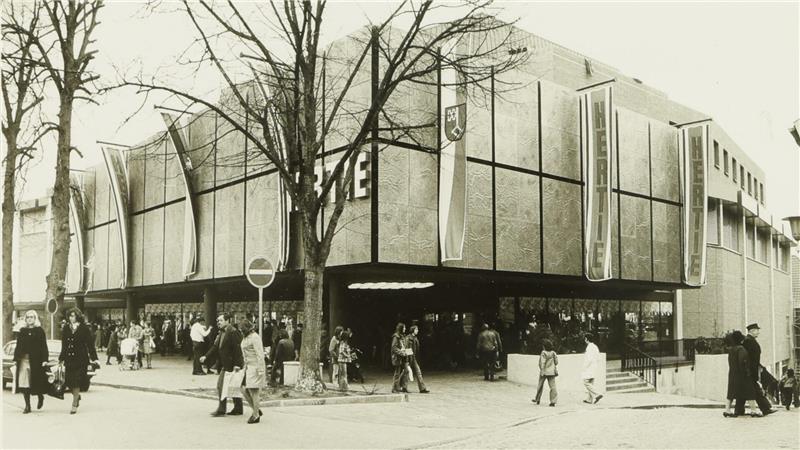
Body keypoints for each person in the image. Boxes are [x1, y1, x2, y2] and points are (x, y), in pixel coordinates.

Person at [200, 313, 244, 416]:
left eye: (220, 320)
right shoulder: (221, 333)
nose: (218, 323)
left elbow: (238, 349)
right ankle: (238, 408)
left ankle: (222, 409)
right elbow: (215, 347)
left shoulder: (233, 332)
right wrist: (206, 356)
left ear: (227, 321)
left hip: (233, 365)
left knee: (223, 386)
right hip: (226, 364)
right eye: (217, 321)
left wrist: (237, 364)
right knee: (232, 385)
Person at [59, 308, 100, 414]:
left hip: (80, 359)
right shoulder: (66, 328)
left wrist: (94, 358)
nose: (71, 318)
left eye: (73, 316)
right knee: (69, 381)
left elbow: (90, 345)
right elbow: (64, 345)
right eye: (70, 316)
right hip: (69, 358)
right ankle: (77, 397)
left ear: (78, 317)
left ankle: (74, 404)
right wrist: (61, 358)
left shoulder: (84, 328)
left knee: (76, 381)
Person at [13, 310, 49, 413]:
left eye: (32, 317)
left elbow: (43, 347)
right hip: (24, 360)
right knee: (24, 384)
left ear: (35, 318)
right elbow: (18, 346)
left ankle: (40, 396)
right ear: (26, 319)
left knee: (36, 382)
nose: (29, 319)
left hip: (36, 361)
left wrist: (45, 360)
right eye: (28, 317)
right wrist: (16, 359)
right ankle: (27, 406)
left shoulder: (39, 331)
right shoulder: (22, 331)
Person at [742, 323, 778, 417]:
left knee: (755, 389)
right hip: (751, 370)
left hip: (753, 369)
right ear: (752, 331)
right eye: (757, 330)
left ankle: (765, 408)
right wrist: (755, 372)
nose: (758, 332)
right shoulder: (749, 341)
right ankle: (765, 408)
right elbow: (750, 359)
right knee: (755, 389)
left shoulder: (749, 340)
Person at [239, 319, 265, 424]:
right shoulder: (246, 338)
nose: (241, 331)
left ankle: (255, 415)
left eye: (242, 329)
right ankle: (256, 409)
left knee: (254, 391)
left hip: (255, 368)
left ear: (247, 328)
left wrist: (261, 369)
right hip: (248, 367)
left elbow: (260, 354)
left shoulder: (255, 338)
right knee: (243, 389)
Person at [725, 330, 755, 417]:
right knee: (750, 392)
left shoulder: (731, 350)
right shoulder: (741, 349)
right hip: (742, 375)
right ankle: (753, 410)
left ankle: (727, 410)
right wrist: (747, 372)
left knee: (731, 393)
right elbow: (743, 361)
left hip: (732, 373)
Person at [533, 339, 558, 407]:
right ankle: (553, 401)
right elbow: (556, 362)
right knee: (553, 387)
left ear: (544, 346)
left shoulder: (543, 353)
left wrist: (542, 370)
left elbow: (542, 362)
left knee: (540, 386)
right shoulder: (553, 353)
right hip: (552, 372)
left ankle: (537, 399)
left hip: (544, 372)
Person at [405, 325, 429, 393]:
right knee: (406, 373)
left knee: (418, 372)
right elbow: (407, 349)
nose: (417, 331)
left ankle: (422, 388)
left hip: (414, 358)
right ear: (413, 330)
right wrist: (408, 359)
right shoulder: (408, 338)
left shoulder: (415, 338)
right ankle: (403, 387)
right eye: (416, 329)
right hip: (409, 358)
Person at [581, 333, 603, 405]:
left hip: (589, 367)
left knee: (586, 382)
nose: (584, 340)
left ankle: (597, 394)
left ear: (587, 339)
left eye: (585, 338)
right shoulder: (595, 346)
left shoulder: (589, 347)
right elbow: (599, 358)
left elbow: (588, 359)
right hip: (594, 366)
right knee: (591, 382)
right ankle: (589, 399)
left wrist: (584, 367)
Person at [391, 322, 409, 393]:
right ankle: (394, 388)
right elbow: (394, 348)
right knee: (397, 373)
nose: (405, 329)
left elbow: (404, 345)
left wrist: (407, 351)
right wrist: (402, 353)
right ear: (401, 328)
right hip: (398, 357)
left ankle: (403, 387)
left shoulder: (403, 336)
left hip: (404, 356)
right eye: (404, 327)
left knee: (406, 371)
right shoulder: (396, 337)